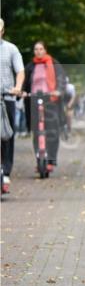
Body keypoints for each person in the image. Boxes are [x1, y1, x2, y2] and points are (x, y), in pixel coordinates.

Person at [23, 41, 68, 174]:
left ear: (45, 50)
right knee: (37, 132)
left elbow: (61, 79)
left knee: (52, 131)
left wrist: (59, 90)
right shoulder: (31, 66)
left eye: (41, 49)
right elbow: (24, 81)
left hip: (51, 99)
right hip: (34, 99)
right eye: (36, 49)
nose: (38, 51)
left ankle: (51, 160)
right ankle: (39, 158)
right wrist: (23, 92)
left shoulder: (53, 63)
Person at [1, 19, 25, 195]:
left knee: (7, 134)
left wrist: (17, 87)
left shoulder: (11, 49)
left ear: (2, 31)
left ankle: (6, 171)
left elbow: (20, 71)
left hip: (6, 97)